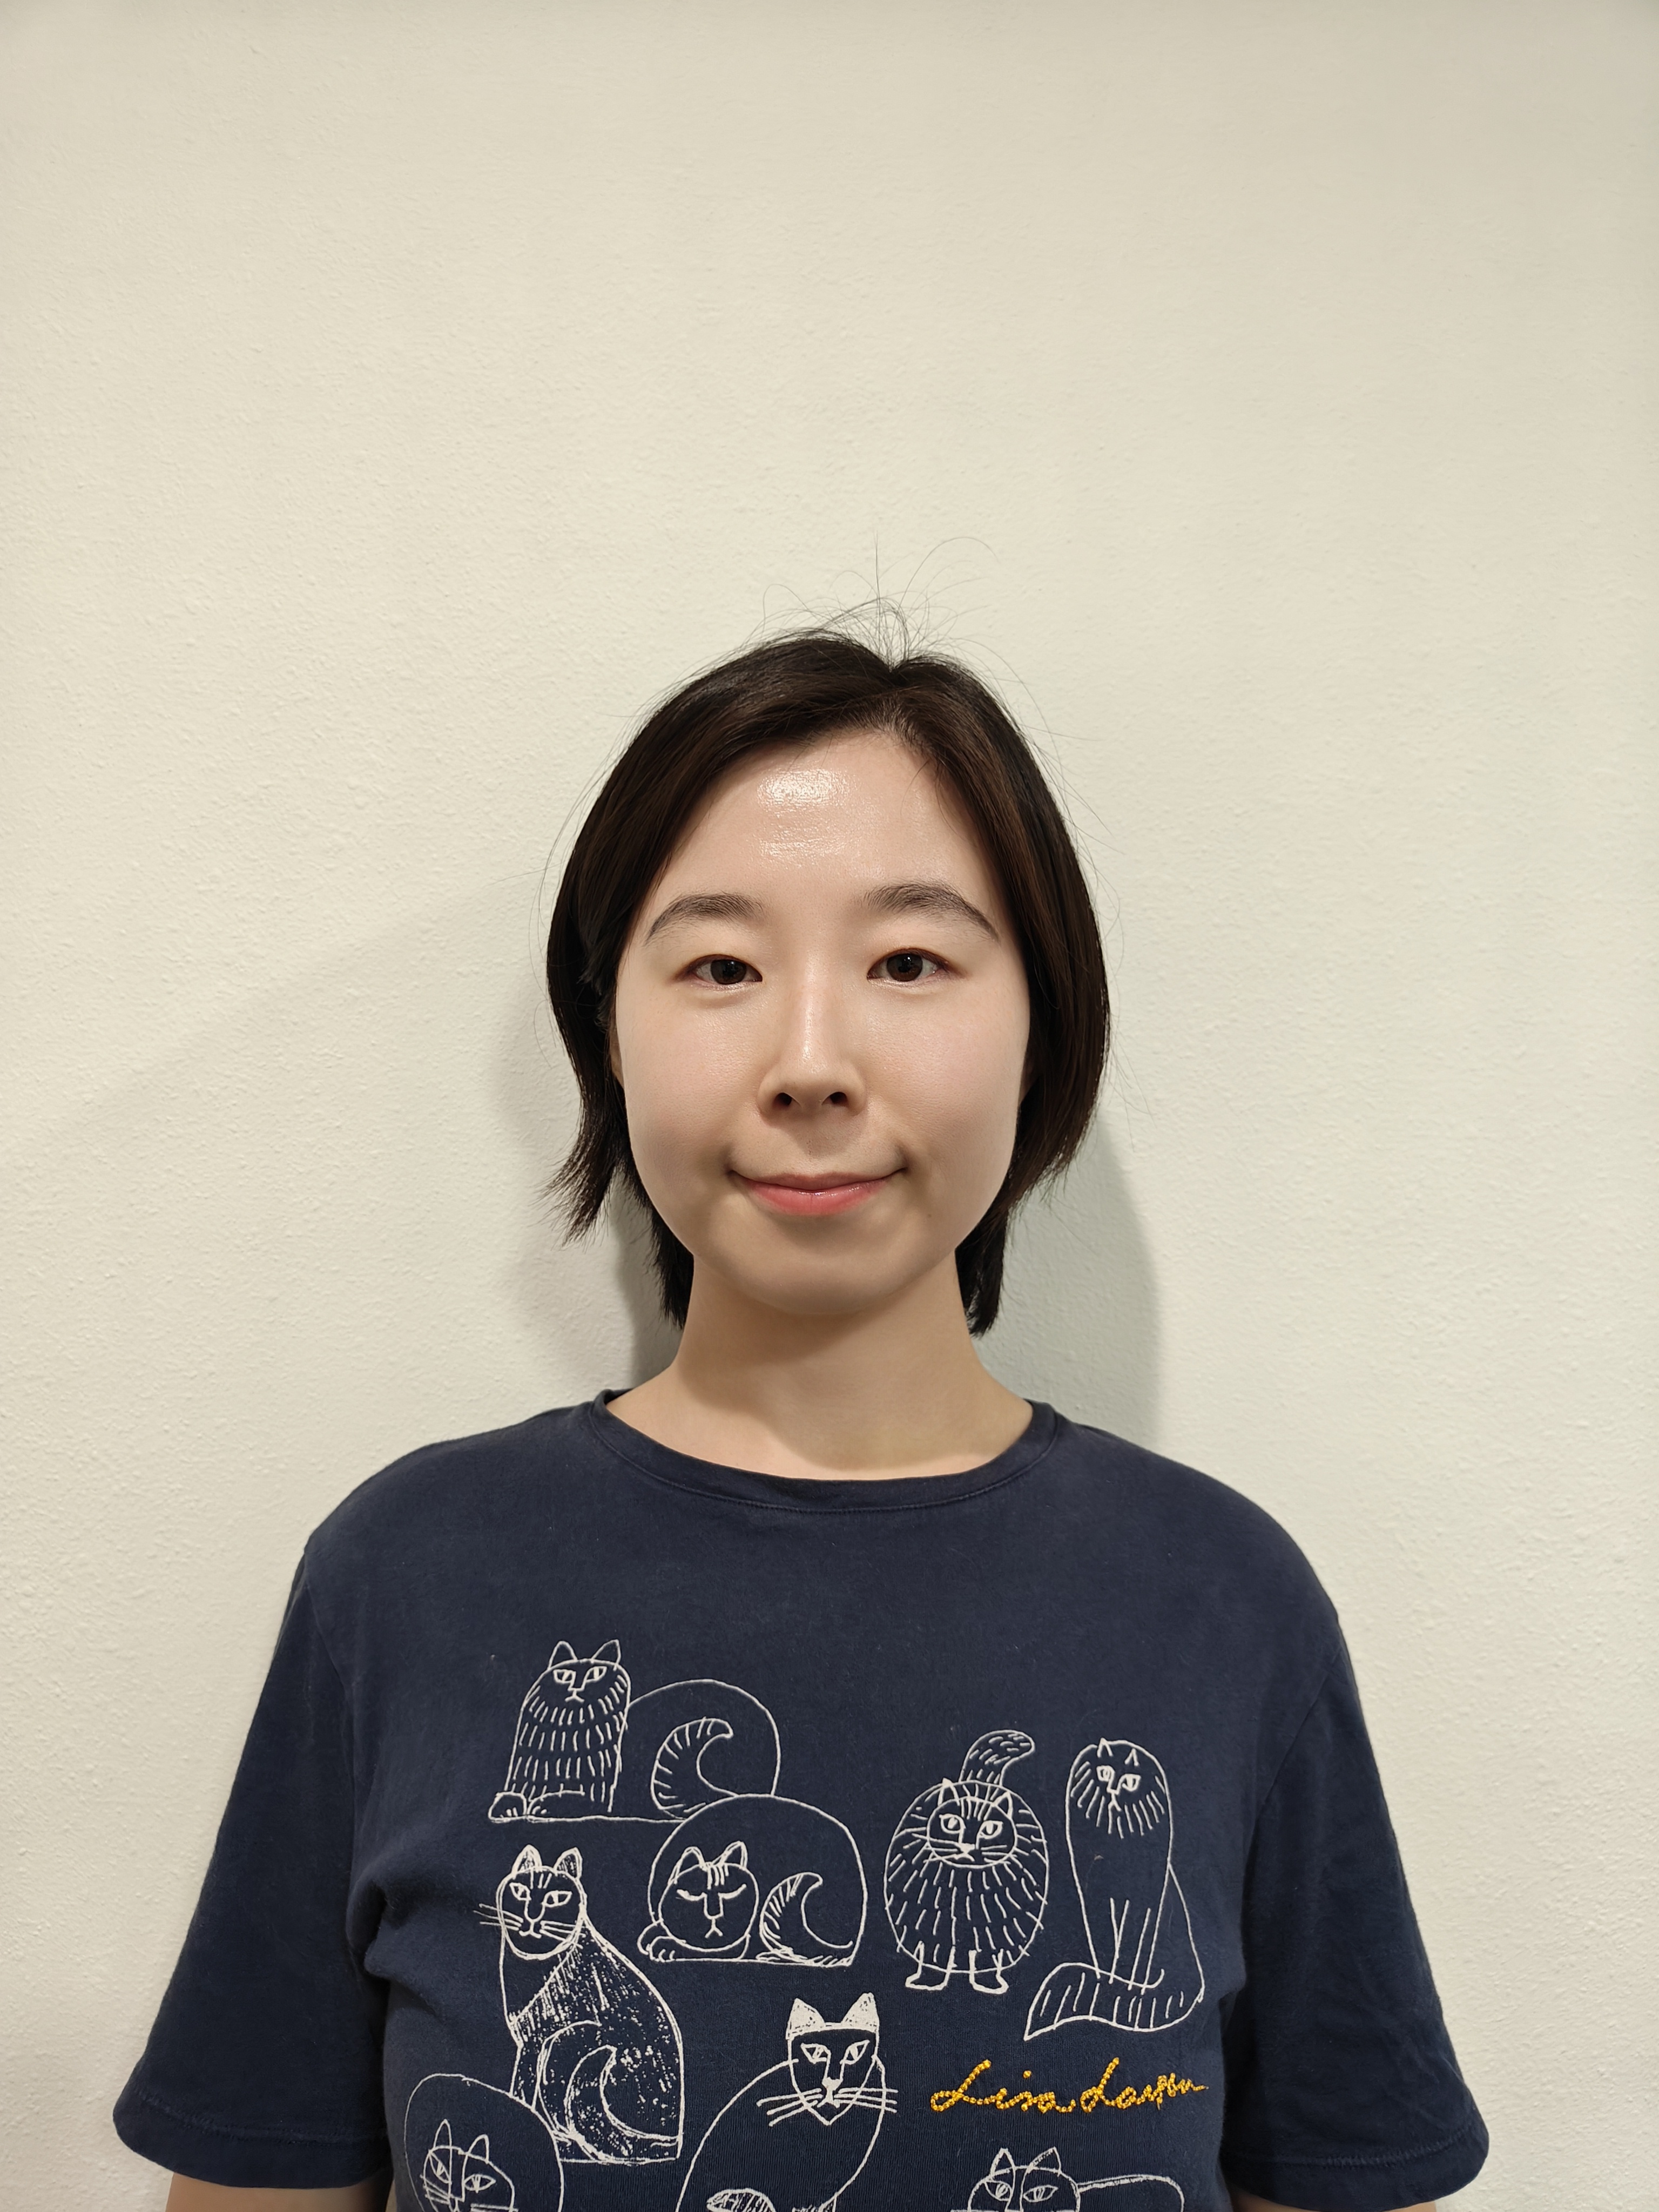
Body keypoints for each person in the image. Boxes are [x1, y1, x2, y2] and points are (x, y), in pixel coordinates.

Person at [115, 629, 1488, 2212]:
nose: (812, 1062)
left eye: (909, 962)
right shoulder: (406, 1577)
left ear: (1041, 1025)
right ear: (608, 1032)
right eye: (720, 968)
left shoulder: (1224, 1602)